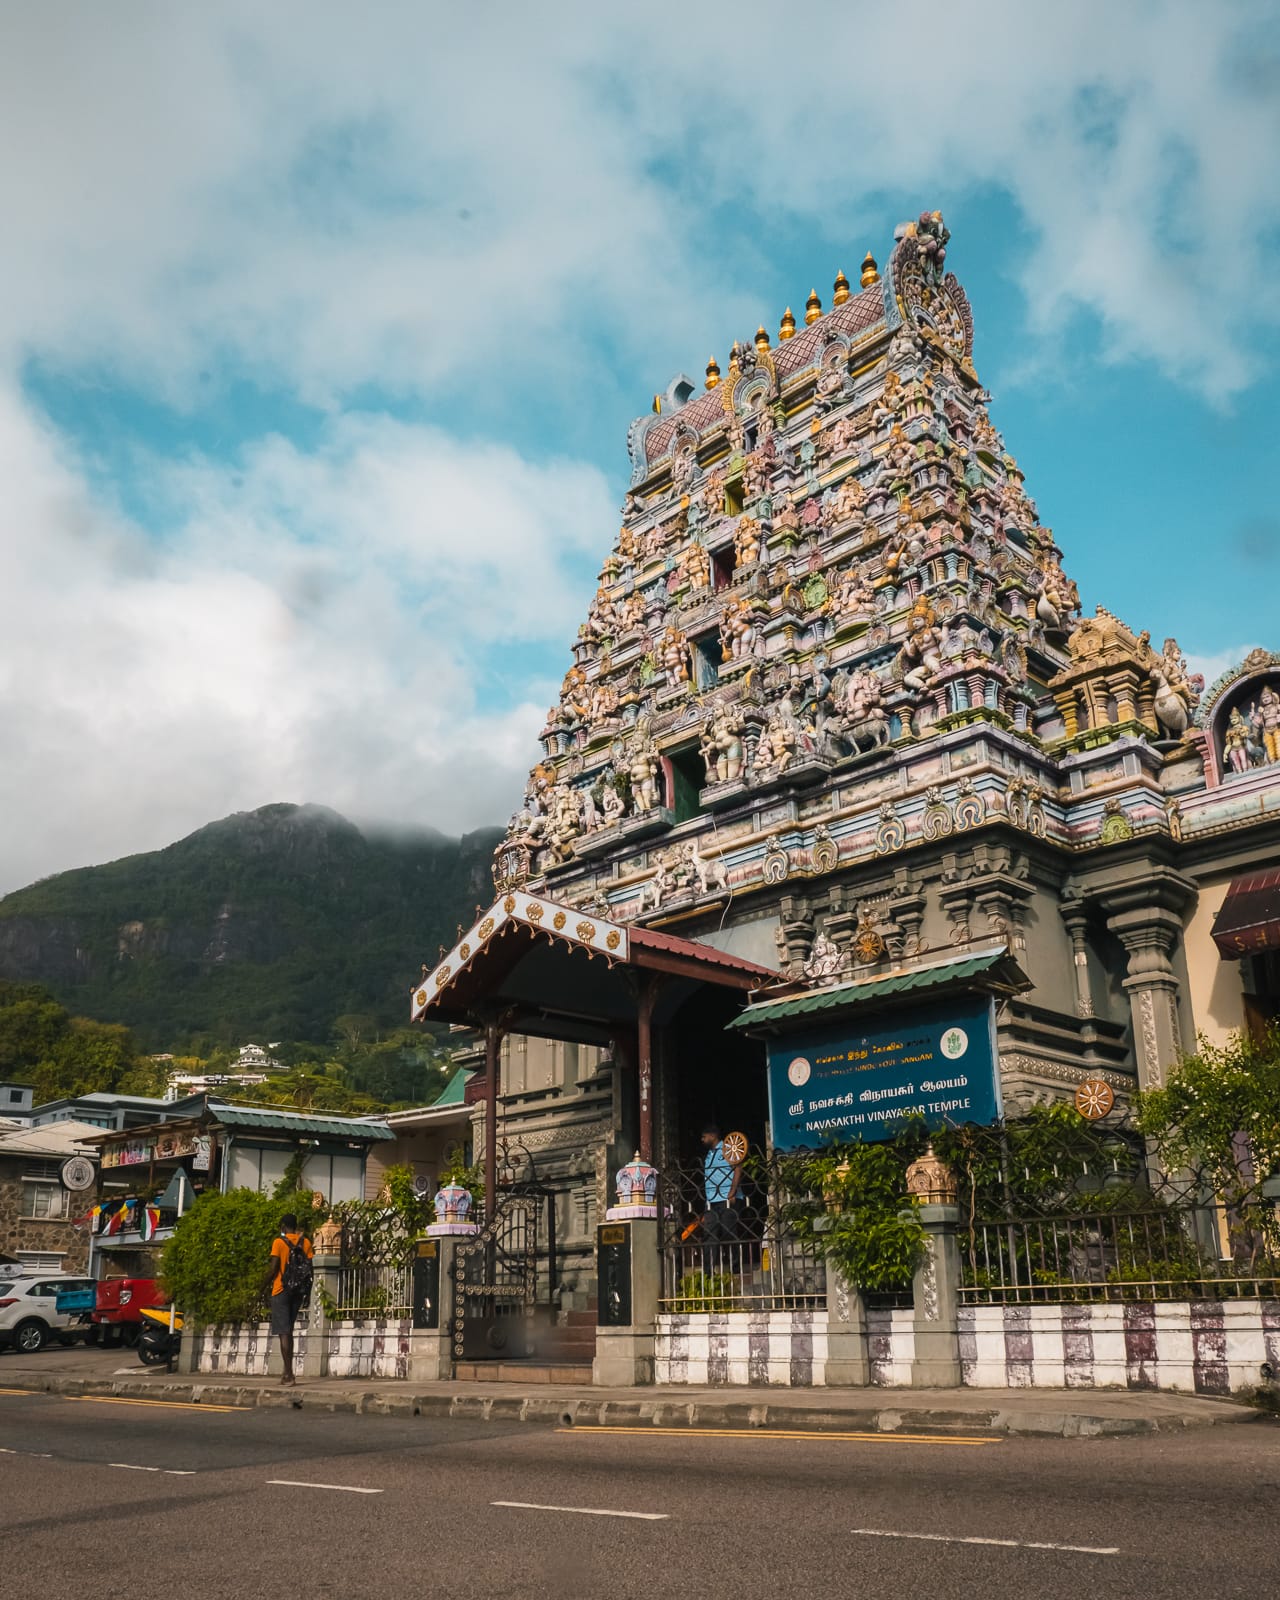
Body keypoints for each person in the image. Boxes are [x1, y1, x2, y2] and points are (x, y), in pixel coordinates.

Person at [264, 1212, 314, 1386]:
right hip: (298, 1292)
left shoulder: (279, 1242)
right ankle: (286, 1373)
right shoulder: (306, 1242)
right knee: (289, 1331)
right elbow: (310, 1269)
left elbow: (274, 1268)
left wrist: (261, 1286)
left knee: (284, 1333)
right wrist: (307, 1292)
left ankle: (289, 1375)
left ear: (284, 1227)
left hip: (281, 1290)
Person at [700, 1123, 742, 1270]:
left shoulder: (728, 1148)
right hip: (711, 1200)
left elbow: (737, 1168)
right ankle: (708, 1273)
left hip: (726, 1198)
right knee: (709, 1236)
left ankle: (735, 1268)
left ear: (713, 1136)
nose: (702, 1140)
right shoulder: (709, 1154)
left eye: (704, 1137)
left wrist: (732, 1192)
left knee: (728, 1232)